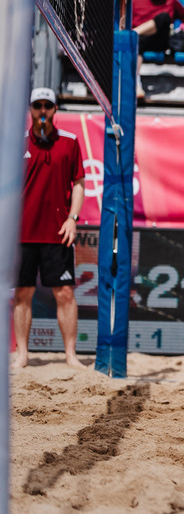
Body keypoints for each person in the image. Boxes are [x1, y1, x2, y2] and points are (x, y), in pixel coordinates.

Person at [15, 87, 87, 369]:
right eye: (37, 105)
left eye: (47, 105)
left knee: (65, 293)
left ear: (55, 109)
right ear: (31, 110)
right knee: (22, 293)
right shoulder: (16, 144)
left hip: (58, 231)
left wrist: (73, 218)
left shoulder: (69, 142)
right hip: (22, 233)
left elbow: (79, 183)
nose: (42, 110)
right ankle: (22, 355)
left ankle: (70, 355)